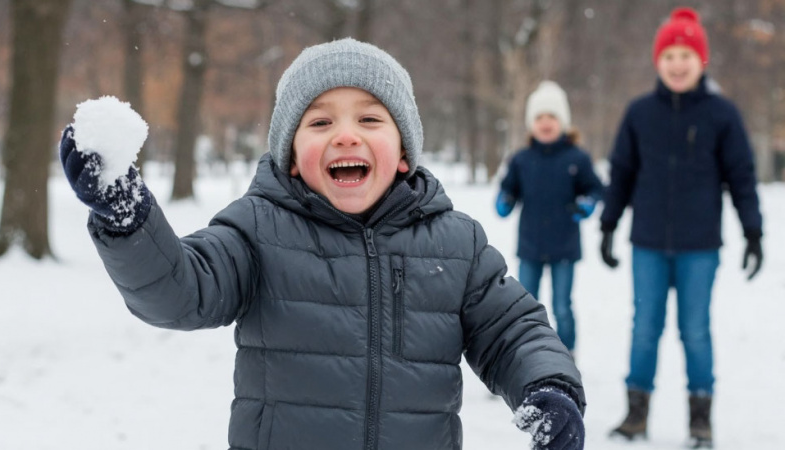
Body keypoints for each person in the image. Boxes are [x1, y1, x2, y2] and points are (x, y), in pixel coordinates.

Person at [59, 38, 586, 450]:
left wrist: (550, 385)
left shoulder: (455, 244)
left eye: (370, 119)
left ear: (404, 153)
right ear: (291, 155)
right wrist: (129, 221)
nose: (346, 135)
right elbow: (183, 290)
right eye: (320, 122)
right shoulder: (258, 230)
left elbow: (512, 331)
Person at [599, 8, 764, 448]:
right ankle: (635, 416)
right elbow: (622, 174)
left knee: (695, 330)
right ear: (657, 60)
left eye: (685, 54)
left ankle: (700, 419)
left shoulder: (721, 115)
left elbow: (741, 176)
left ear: (701, 60)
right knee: (644, 328)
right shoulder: (639, 114)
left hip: (699, 246)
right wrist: (608, 225)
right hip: (649, 243)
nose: (676, 63)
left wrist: (753, 232)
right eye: (668, 54)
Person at [496, 80, 604, 356]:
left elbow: (595, 188)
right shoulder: (521, 159)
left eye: (552, 117)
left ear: (563, 122)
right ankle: (523, 355)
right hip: (530, 245)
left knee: (562, 306)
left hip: (563, 245)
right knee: (524, 304)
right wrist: (505, 201)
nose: (546, 123)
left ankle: (567, 354)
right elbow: (508, 188)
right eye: (540, 117)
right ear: (531, 123)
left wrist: (588, 203)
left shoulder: (576, 158)